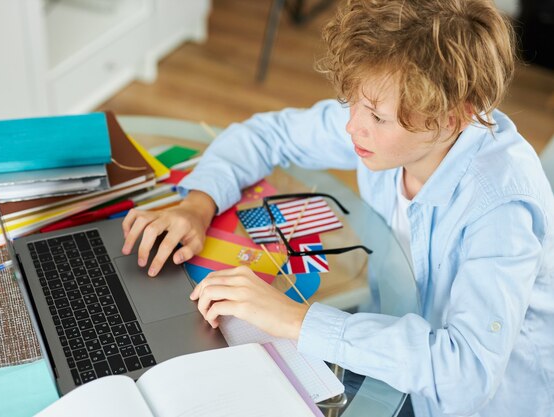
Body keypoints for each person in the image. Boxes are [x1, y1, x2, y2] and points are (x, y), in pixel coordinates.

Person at [121, 0, 554, 416]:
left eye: (377, 117)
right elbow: (265, 134)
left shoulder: (501, 208)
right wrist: (199, 204)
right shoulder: (394, 119)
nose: (352, 126)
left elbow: (467, 374)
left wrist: (295, 319)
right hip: (385, 332)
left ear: (451, 119)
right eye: (354, 103)